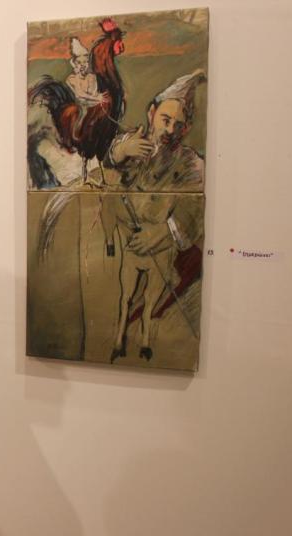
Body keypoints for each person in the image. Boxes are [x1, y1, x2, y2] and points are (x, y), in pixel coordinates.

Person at [101, 70, 207, 361]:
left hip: (162, 247)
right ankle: (119, 337)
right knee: (123, 294)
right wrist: (120, 153)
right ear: (151, 113)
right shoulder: (130, 142)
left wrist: (164, 231)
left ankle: (145, 338)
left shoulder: (191, 163)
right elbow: (106, 171)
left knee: (153, 299)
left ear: (186, 129)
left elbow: (195, 210)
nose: (170, 129)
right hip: (128, 242)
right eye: (165, 120)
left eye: (178, 125)